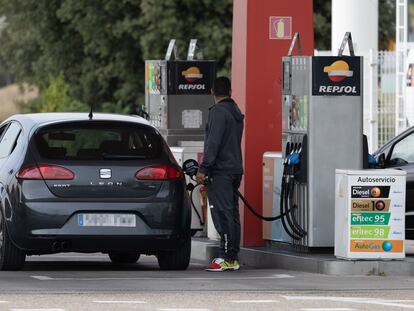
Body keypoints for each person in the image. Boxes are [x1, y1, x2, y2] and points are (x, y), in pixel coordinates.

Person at [195, 77, 244, 272]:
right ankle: (232, 256)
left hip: (221, 171)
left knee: (222, 214)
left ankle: (225, 257)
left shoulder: (218, 112)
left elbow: (213, 144)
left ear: (211, 91)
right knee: (232, 214)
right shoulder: (236, 112)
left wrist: (203, 168)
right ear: (230, 91)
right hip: (234, 169)